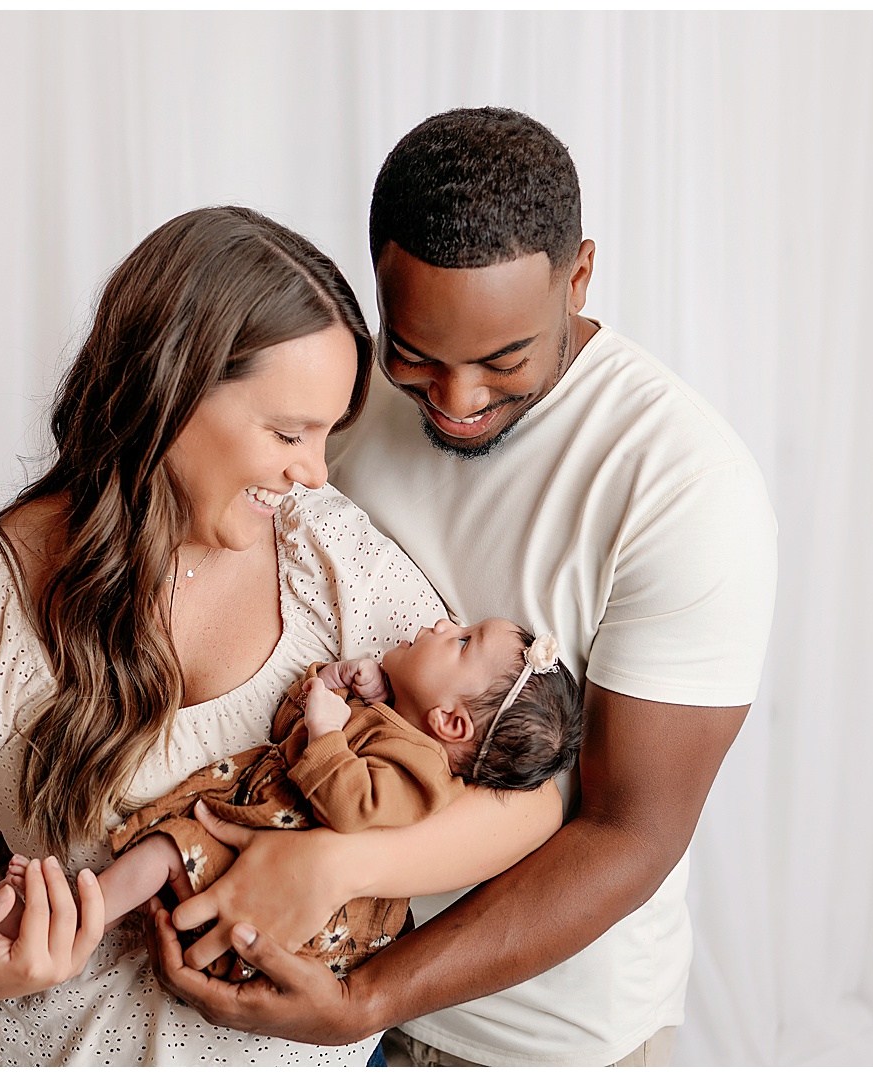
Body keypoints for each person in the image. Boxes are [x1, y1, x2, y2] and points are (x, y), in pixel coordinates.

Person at [0, 206, 562, 1064]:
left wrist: (332, 867)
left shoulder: (327, 553)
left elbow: (524, 799)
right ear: (168, 395)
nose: (314, 470)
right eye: (289, 432)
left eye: (328, 434)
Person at [140, 107, 777, 1067]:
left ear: (580, 277)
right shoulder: (335, 401)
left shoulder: (683, 486)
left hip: (528, 1039)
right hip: (307, 987)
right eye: (417, 355)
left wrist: (367, 990)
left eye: (503, 360)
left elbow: (630, 831)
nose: (456, 399)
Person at [19, 620, 580, 975]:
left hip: (281, 876)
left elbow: (351, 806)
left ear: (450, 723)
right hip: (264, 836)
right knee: (166, 855)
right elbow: (287, 730)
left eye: (462, 640)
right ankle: (77, 914)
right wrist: (330, 682)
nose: (443, 623)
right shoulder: (388, 719)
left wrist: (329, 729)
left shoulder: (424, 772)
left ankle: (73, 921)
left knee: (168, 849)